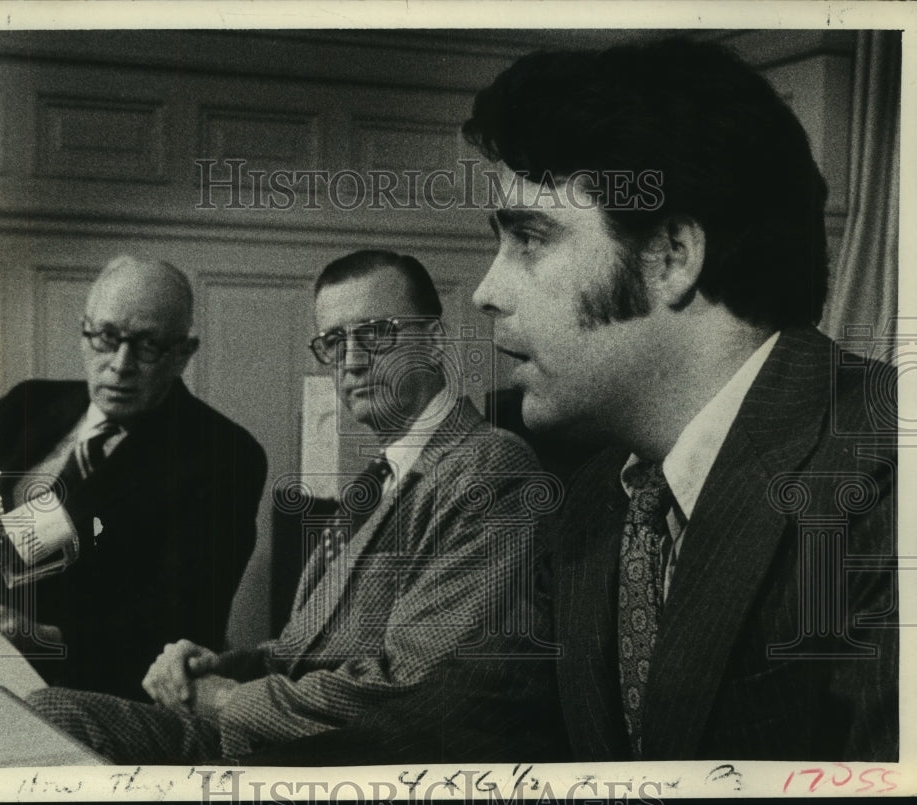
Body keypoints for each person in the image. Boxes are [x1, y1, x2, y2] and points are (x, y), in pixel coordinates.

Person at [249, 37, 899, 764]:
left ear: (670, 256)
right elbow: (444, 719)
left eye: (530, 239)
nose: (489, 291)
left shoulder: (888, 479)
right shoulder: (597, 499)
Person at [26, 249, 556, 763]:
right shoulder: (379, 479)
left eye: (374, 333)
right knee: (45, 714)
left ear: (434, 341)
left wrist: (224, 698)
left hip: (348, 764)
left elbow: (418, 690)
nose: (351, 361)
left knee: (53, 726)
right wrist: (222, 666)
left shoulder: (487, 467)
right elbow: (307, 650)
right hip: (284, 739)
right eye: (333, 341)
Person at [0, 255, 268, 701]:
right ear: (84, 333)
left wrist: (46, 636)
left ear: (183, 354)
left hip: (94, 690)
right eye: (106, 337)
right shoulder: (25, 405)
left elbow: (185, 617)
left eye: (147, 345)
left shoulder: (223, 454)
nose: (121, 365)